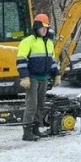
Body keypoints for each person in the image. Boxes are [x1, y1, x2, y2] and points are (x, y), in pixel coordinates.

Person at [16, 13, 60, 141]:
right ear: (36, 27)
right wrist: (24, 77)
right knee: (32, 104)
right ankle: (27, 131)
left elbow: (51, 61)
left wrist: (56, 74)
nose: (44, 30)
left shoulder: (49, 43)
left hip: (44, 78)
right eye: (42, 28)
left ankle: (36, 129)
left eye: (46, 28)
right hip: (32, 78)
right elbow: (21, 61)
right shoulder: (27, 41)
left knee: (40, 105)